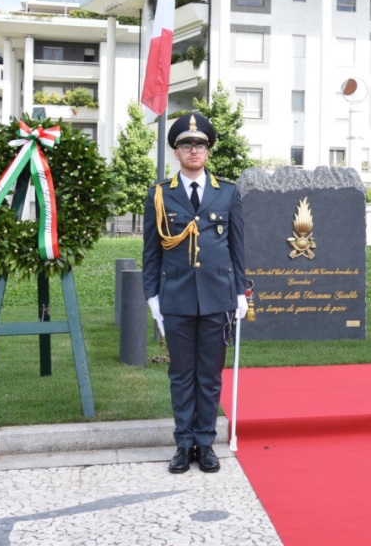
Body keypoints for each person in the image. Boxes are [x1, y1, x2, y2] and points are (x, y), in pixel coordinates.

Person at [142, 112, 248, 474]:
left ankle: (206, 442)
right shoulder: (159, 194)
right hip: (177, 297)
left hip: (218, 295)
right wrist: (152, 297)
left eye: (200, 144)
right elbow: (151, 251)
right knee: (181, 374)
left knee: (209, 374)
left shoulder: (229, 193)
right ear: (176, 151)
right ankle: (182, 443)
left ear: (208, 150)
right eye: (186, 144)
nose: (194, 150)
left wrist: (240, 293)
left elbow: (237, 248)